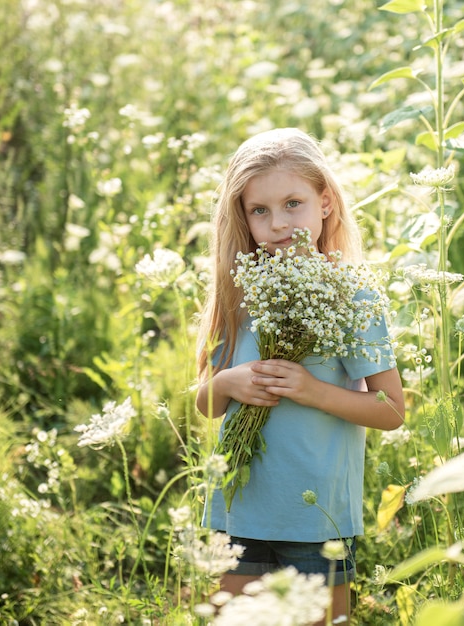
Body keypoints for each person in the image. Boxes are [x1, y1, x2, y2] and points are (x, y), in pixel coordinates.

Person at [196, 127, 405, 625]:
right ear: (243, 218)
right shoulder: (239, 293)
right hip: (241, 506)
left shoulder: (353, 296)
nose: (278, 223)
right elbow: (204, 403)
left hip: (317, 515)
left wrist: (312, 391)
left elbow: (392, 410)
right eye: (260, 210)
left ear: (325, 202)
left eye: (294, 203)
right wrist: (226, 384)